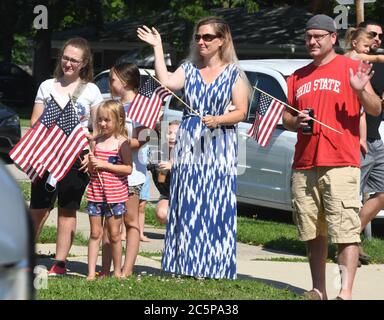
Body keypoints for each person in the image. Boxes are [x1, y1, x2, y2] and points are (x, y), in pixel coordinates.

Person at [137, 16, 249, 279]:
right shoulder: (189, 68)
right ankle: (183, 265)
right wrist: (157, 46)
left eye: (208, 37)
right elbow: (165, 82)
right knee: (187, 201)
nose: (201, 41)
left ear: (222, 40)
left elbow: (241, 111)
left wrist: (219, 119)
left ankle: (214, 267)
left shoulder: (235, 73)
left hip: (219, 143)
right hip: (189, 141)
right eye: (198, 37)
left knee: (214, 203)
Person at [282, 14, 382, 300]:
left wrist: (361, 91)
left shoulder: (353, 67)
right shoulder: (297, 75)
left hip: (340, 163)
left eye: (318, 37)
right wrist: (294, 122)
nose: (312, 42)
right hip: (304, 164)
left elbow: (375, 109)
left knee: (346, 232)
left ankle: (345, 292)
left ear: (332, 38)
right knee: (313, 232)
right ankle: (319, 289)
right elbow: (286, 115)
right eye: (308, 37)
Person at [30, 37, 103, 276]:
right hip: (46, 152)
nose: (68, 63)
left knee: (67, 209)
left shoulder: (91, 90)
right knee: (39, 207)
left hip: (76, 156)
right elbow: (34, 122)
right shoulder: (47, 86)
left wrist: (91, 154)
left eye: (74, 60)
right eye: (65, 57)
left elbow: (97, 129)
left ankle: (59, 263)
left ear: (84, 63)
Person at [101, 62, 151, 277]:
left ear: (125, 81)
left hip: (132, 175)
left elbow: (142, 139)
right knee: (108, 223)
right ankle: (105, 269)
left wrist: (113, 140)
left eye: (112, 79)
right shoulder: (111, 105)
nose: (110, 83)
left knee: (130, 221)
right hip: (108, 174)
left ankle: (126, 269)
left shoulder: (142, 108)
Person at [86, 100, 132, 280]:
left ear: (119, 121)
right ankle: (91, 273)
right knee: (95, 233)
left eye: (107, 120)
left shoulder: (122, 143)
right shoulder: (95, 142)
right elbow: (91, 169)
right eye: (100, 120)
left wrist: (104, 165)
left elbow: (128, 168)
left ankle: (118, 271)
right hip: (96, 193)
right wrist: (91, 164)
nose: (103, 124)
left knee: (114, 234)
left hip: (115, 195)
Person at [356, 20, 384, 264]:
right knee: (352, 197)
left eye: (380, 36)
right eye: (372, 34)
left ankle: (353, 233)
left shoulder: (379, 65)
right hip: (355, 141)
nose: (377, 39)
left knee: (383, 192)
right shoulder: (349, 62)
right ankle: (351, 246)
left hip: (375, 139)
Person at [147, 120, 180, 224]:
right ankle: (171, 230)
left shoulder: (189, 153)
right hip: (168, 194)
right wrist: (162, 172)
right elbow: (161, 183)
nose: (172, 137)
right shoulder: (159, 154)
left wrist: (174, 167)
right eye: (169, 133)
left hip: (187, 194)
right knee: (162, 213)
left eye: (177, 134)